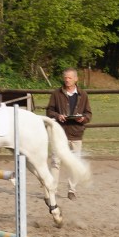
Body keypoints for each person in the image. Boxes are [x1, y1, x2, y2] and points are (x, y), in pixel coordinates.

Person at [45, 67, 92, 200]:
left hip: (76, 133)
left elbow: (89, 114)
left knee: (74, 163)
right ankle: (52, 189)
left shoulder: (83, 95)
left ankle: (72, 190)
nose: (67, 80)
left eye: (70, 78)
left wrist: (82, 118)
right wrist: (58, 116)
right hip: (59, 133)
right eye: (65, 77)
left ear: (76, 79)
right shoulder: (56, 94)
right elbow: (49, 111)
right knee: (56, 162)